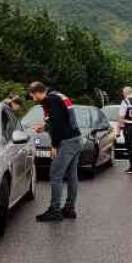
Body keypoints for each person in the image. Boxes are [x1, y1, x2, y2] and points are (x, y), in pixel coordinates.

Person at [28, 82, 81, 222]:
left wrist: (54, 145)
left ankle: (55, 210)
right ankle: (69, 209)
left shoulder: (52, 100)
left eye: (33, 96)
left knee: (55, 174)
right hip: (75, 139)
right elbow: (60, 119)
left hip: (67, 141)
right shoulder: (57, 96)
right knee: (71, 176)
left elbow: (58, 124)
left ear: (37, 92)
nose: (34, 100)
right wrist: (44, 127)